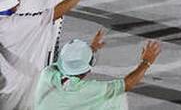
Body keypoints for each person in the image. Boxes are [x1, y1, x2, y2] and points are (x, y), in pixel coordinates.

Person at [32, 35, 161, 109]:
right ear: (87, 68)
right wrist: (146, 62)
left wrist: (90, 50)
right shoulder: (86, 90)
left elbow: (70, 63)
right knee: (116, 96)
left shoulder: (47, 73)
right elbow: (126, 85)